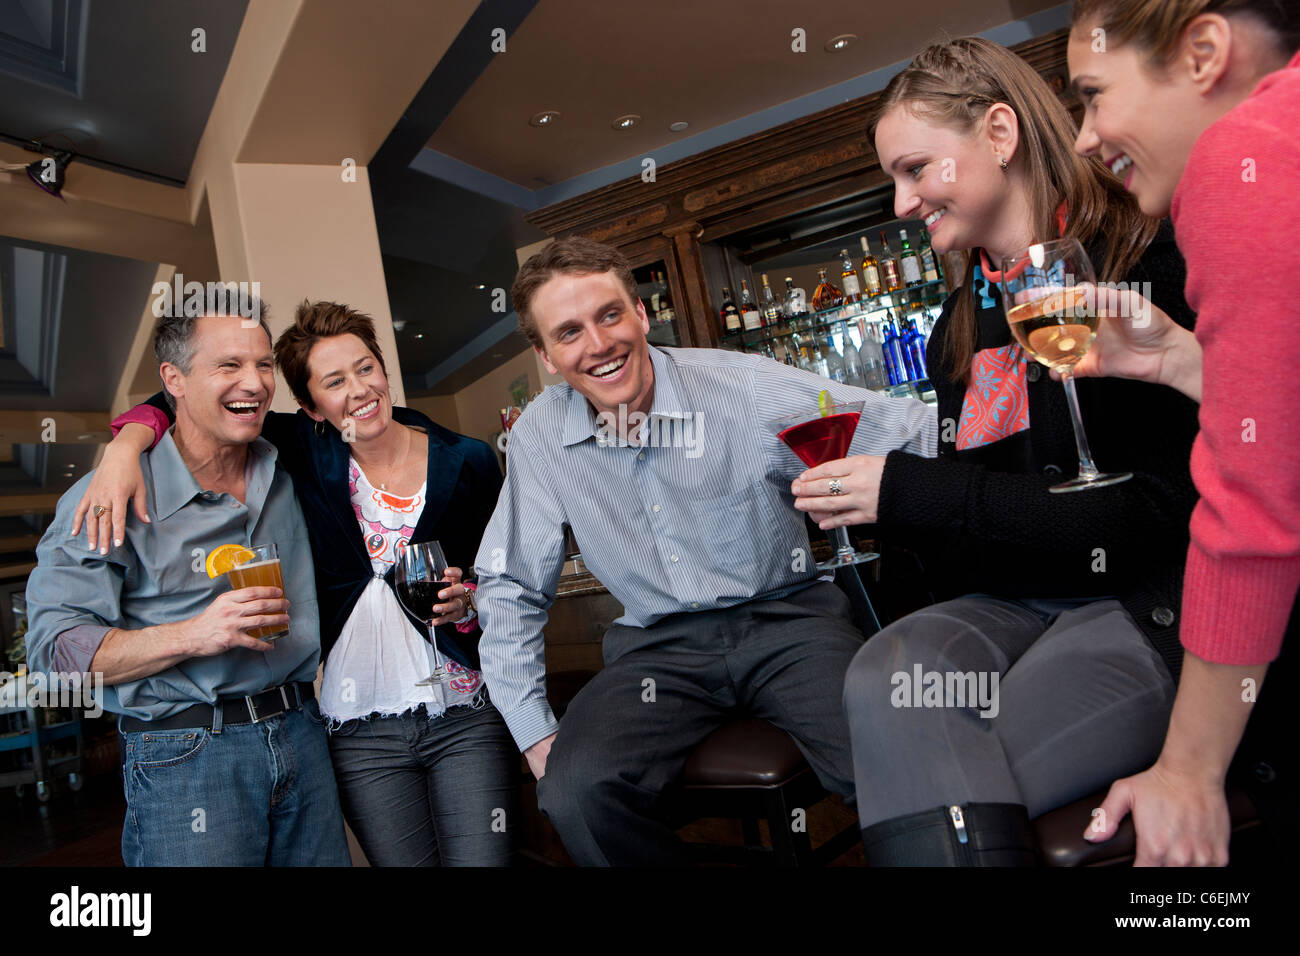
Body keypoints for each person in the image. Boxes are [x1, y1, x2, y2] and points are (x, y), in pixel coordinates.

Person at [790, 36, 1203, 864]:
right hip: (1015, 604)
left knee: (942, 767)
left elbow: (1147, 516)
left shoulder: (1143, 266)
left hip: (1145, 599)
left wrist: (909, 491)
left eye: (916, 170)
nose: (902, 203)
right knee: (883, 670)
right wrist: (881, 515)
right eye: (893, 181)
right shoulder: (962, 324)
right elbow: (978, 508)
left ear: (1000, 135)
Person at [475, 236, 936, 865]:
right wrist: (532, 728)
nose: (599, 344)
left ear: (640, 314)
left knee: (894, 757)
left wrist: (1019, 427)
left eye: (610, 315)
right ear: (547, 356)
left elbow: (905, 424)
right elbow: (509, 582)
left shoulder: (741, 386)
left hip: (790, 625)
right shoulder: (538, 437)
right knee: (575, 792)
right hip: (656, 653)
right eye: (569, 332)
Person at [78, 301, 517, 866]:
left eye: (366, 368)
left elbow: (507, 578)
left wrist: (470, 599)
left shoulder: (470, 460)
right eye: (334, 381)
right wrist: (123, 446)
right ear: (310, 407)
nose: (359, 390)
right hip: (361, 726)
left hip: (463, 709)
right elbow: (186, 400)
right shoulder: (303, 455)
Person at [1063, 0, 1300, 865]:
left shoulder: (1243, 152)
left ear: (1204, 52)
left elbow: (1258, 507)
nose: (1085, 137)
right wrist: (1187, 365)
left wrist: (1189, 769)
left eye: (1093, 94)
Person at [25, 298, 352, 866]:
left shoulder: (294, 466)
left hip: (303, 733)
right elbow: (57, 658)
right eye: (228, 366)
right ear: (172, 379)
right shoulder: (107, 498)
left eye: (263, 365)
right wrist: (195, 635)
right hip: (186, 756)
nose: (254, 382)